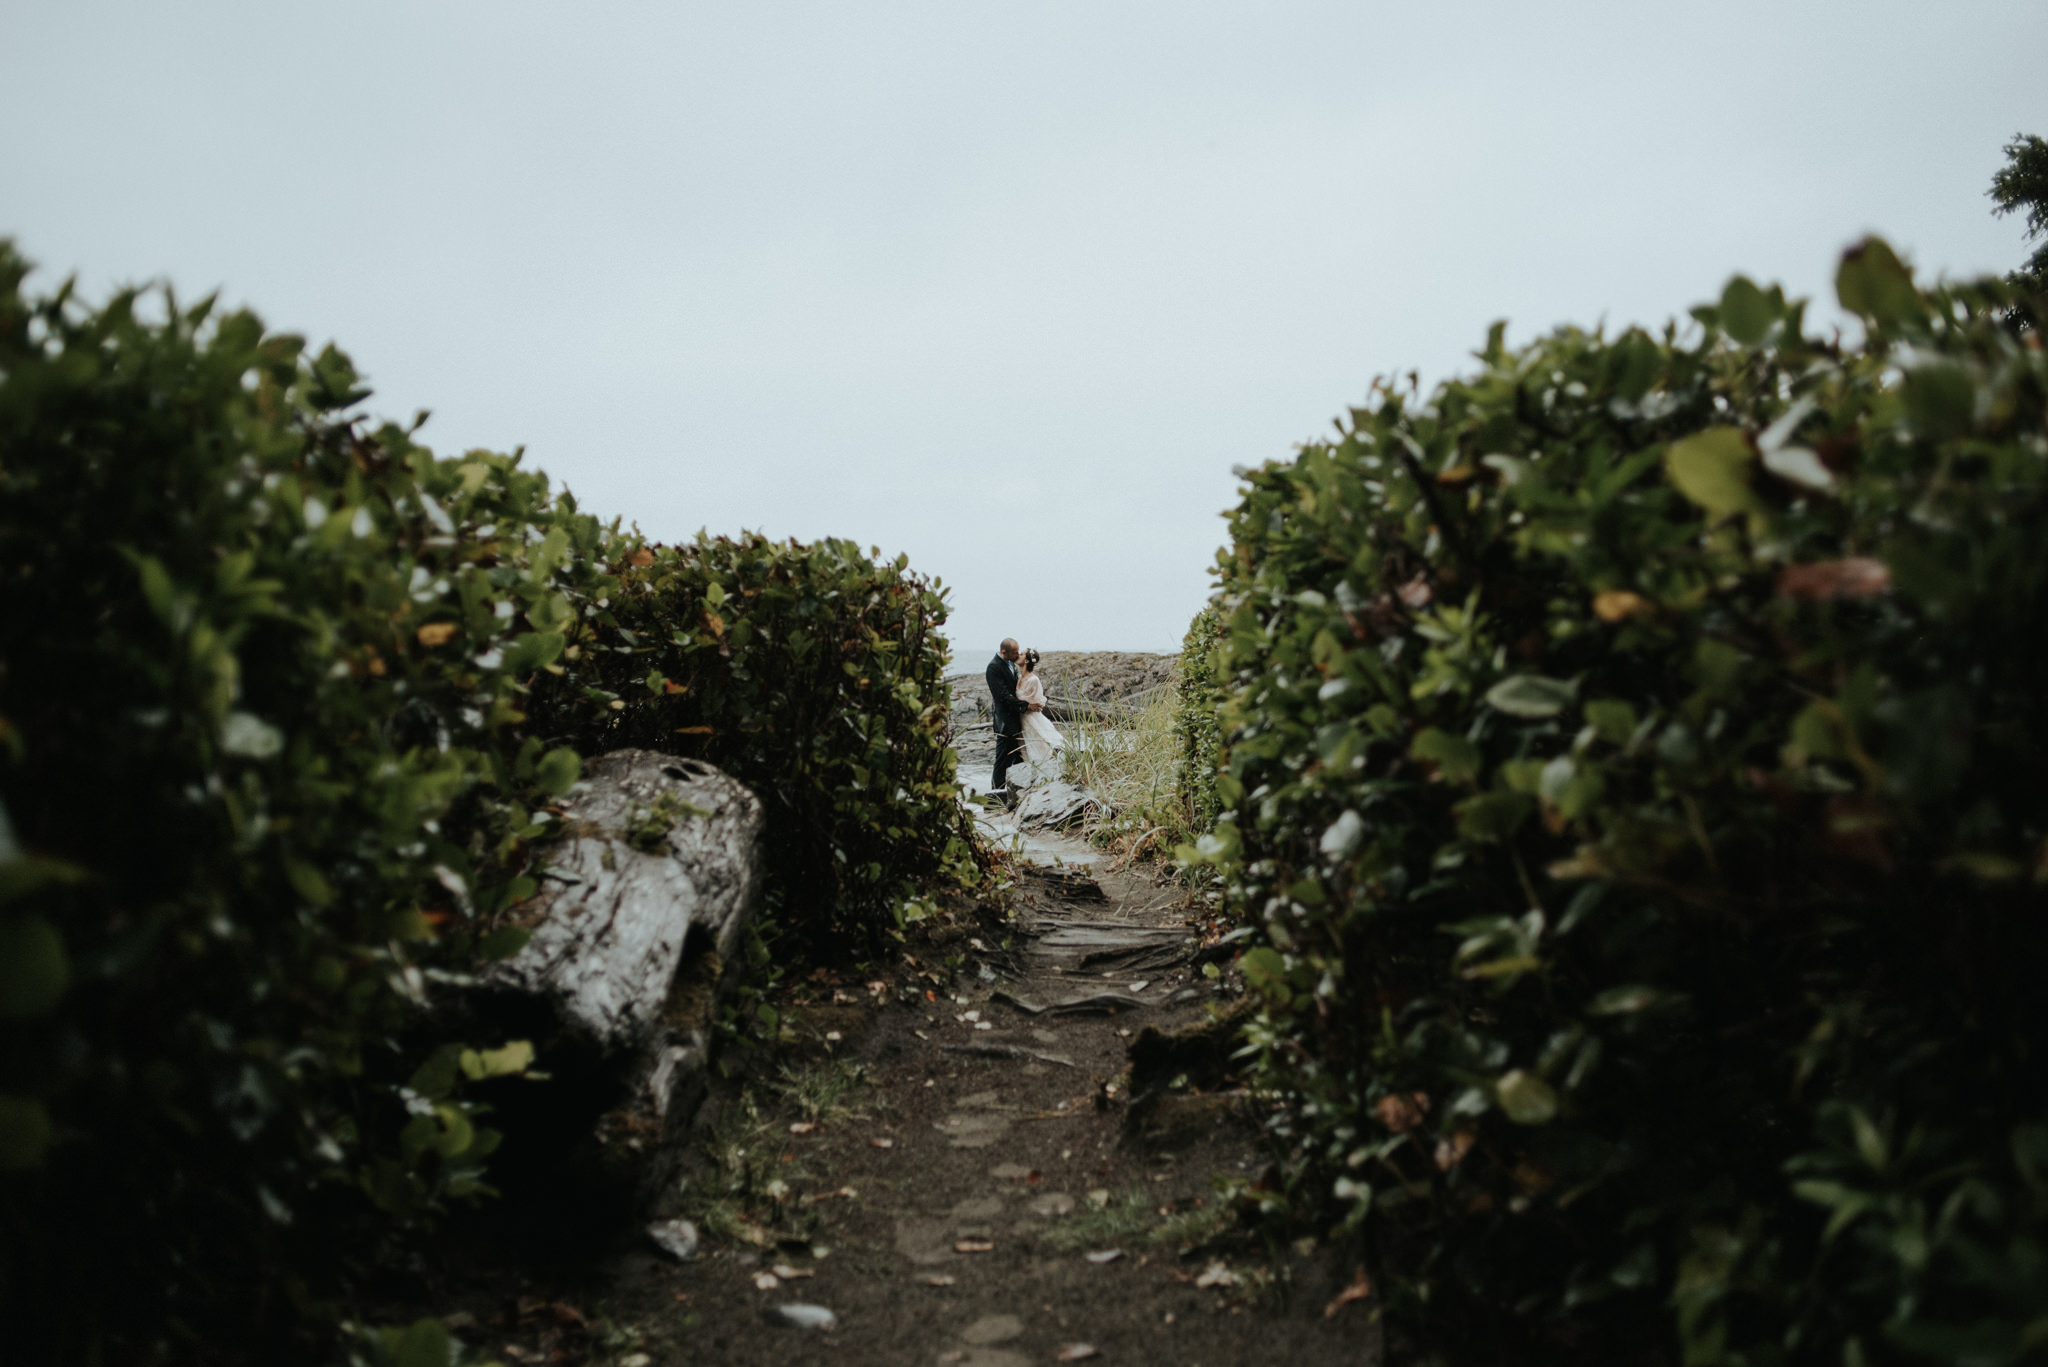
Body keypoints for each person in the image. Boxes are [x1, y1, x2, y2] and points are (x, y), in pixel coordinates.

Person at [984, 637, 1040, 807]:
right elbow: (1002, 697)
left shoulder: (1011, 665)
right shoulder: (993, 668)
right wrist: (1026, 705)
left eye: (1019, 652)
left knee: (1020, 758)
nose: (1017, 654)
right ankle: (995, 799)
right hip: (1005, 723)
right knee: (1002, 761)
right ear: (1003, 652)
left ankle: (1018, 795)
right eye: (1015, 652)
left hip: (1017, 722)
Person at [1017, 648, 1065, 772]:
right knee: (1025, 750)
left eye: (1021, 654)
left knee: (1039, 747)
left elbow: (1038, 702)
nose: (1018, 655)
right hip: (1021, 720)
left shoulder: (1034, 680)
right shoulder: (1018, 677)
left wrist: (1028, 706)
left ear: (1026, 660)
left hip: (1032, 719)